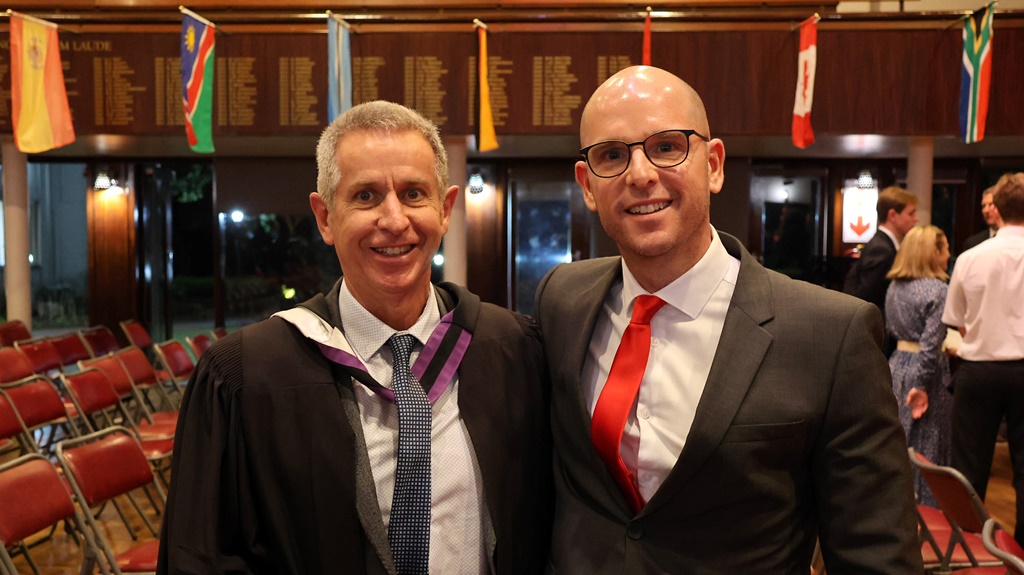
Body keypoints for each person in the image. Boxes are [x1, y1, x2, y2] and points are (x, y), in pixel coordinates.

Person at [533, 65, 921, 573]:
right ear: (587, 185)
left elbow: (878, 555)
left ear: (713, 165)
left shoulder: (830, 333)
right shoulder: (561, 299)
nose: (641, 174)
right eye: (612, 155)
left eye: (667, 146)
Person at [157, 101, 552, 574]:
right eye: (365, 196)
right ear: (325, 217)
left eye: (413, 194)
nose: (393, 219)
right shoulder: (244, 375)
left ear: (445, 210)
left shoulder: (513, 348)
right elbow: (199, 557)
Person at [942, 172, 1024, 548]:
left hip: (979, 369)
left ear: (998, 209)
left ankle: (969, 549)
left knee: (968, 469)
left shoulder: (971, 257)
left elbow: (956, 319)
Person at [885, 225, 953, 508]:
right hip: (925, 374)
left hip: (897, 365)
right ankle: (928, 519)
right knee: (928, 448)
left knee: (899, 444)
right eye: (946, 248)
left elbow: (891, 329)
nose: (949, 254)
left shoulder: (894, 287)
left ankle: (896, 509)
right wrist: (922, 384)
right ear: (933, 252)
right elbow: (930, 346)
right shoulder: (938, 290)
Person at [843, 186, 919, 342]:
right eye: (911, 213)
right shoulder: (881, 248)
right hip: (874, 334)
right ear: (892, 215)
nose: (916, 218)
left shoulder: (885, 244)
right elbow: (866, 299)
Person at [961, 178, 1007, 253]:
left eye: (991, 204)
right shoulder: (973, 244)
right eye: (983, 206)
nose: (985, 210)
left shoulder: (1014, 239)